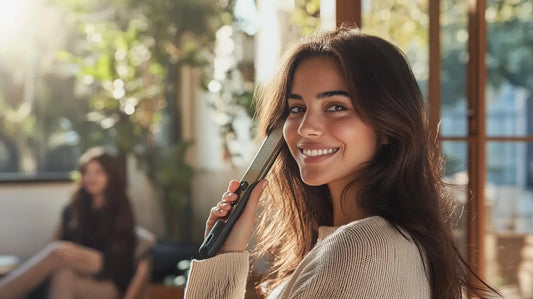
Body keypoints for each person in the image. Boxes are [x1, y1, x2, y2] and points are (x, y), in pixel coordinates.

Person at [185, 26, 500, 298]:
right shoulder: (369, 241)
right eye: (296, 109)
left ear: (387, 127)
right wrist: (224, 253)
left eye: (336, 107)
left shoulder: (361, 250)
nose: (306, 127)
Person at [0, 147, 136, 299]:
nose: (91, 178)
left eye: (98, 172)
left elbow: (118, 261)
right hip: (75, 274)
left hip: (107, 275)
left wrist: (72, 255)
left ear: (110, 176)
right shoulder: (75, 207)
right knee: (62, 274)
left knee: (58, 252)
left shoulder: (120, 207)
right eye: (87, 172)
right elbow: (56, 242)